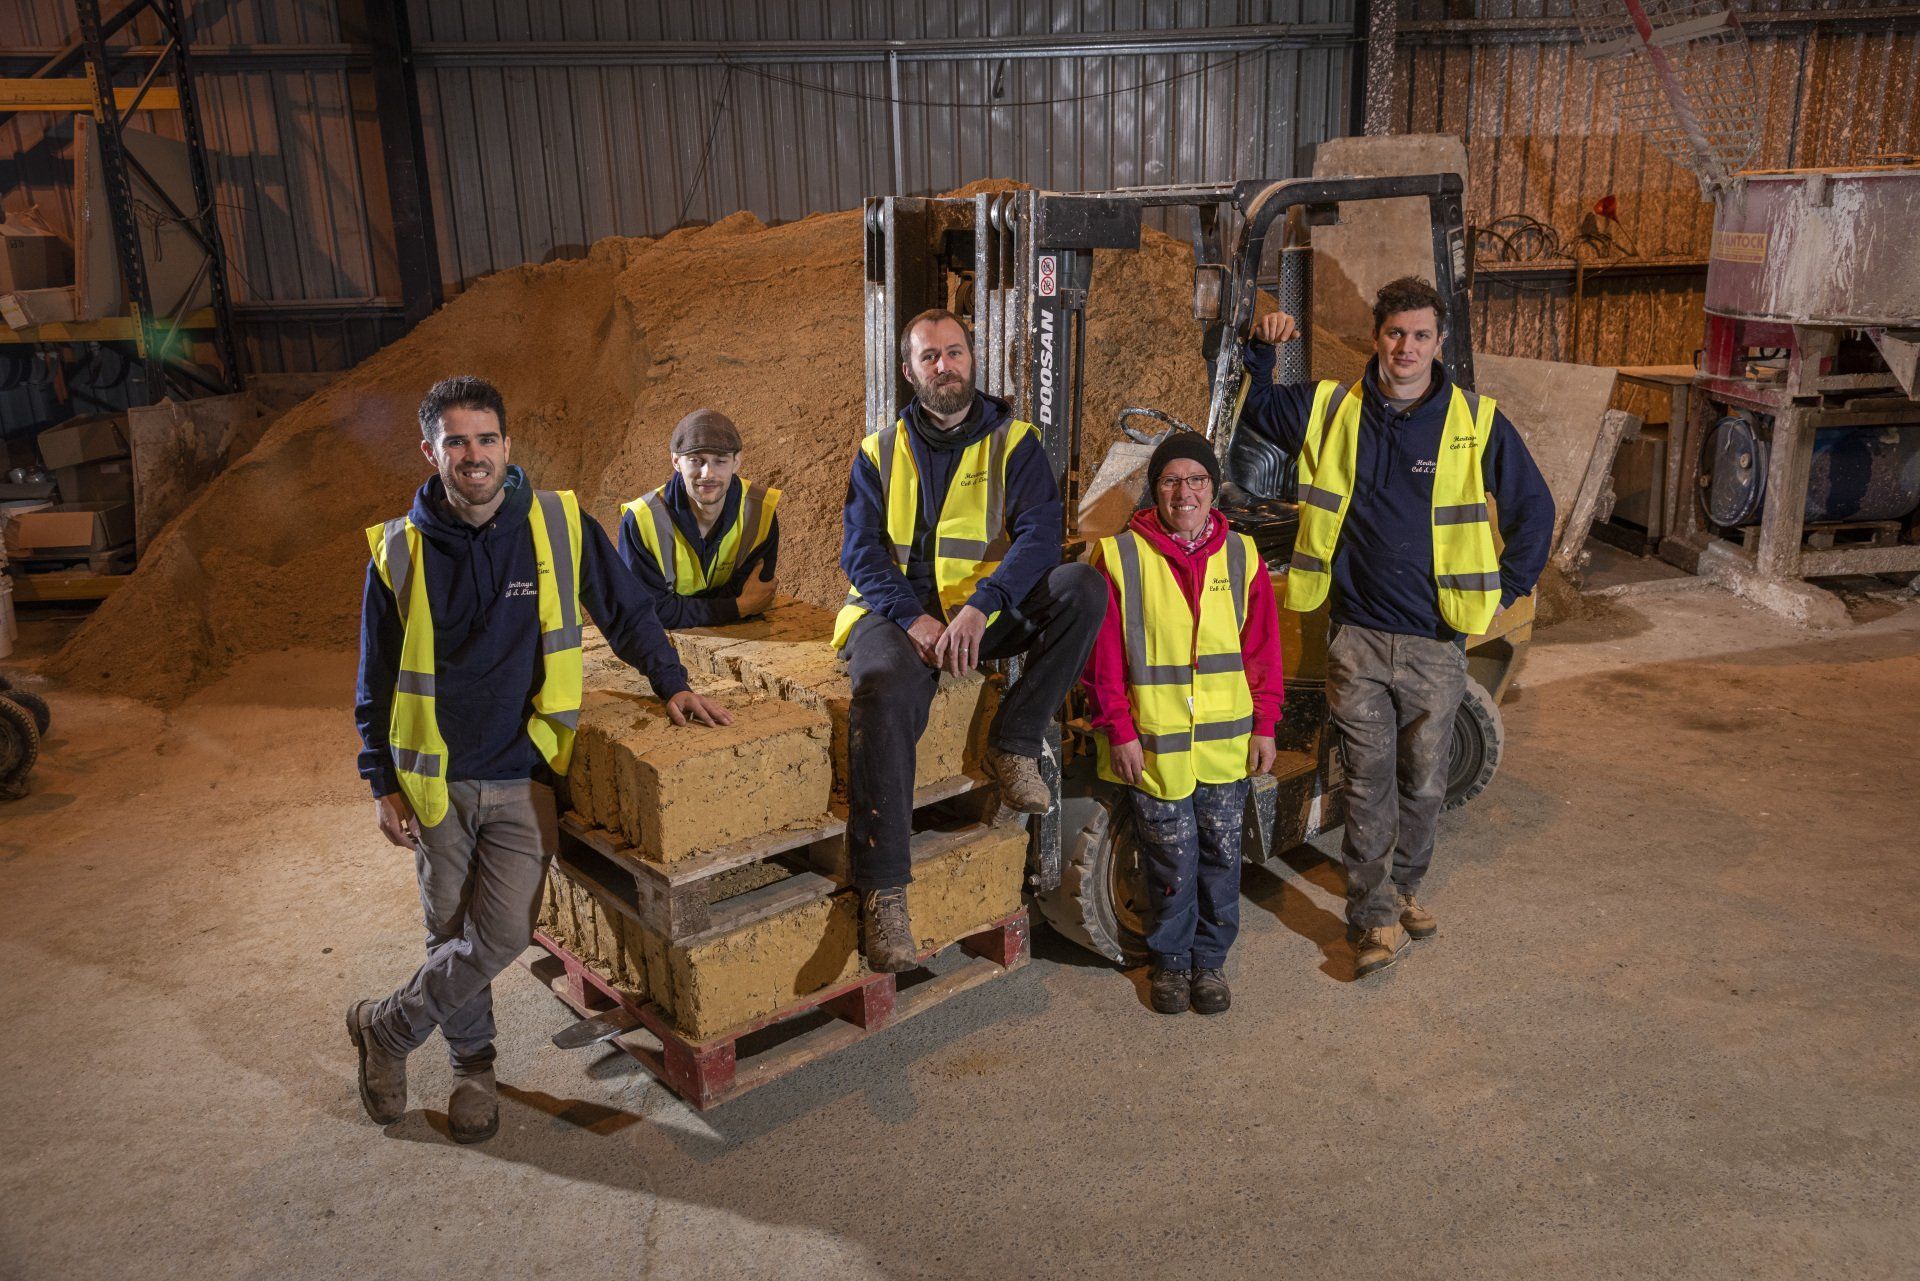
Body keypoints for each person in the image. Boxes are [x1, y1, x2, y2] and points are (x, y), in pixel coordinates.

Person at [349, 375, 731, 1142]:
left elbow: (625, 610)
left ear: (507, 444)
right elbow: (376, 674)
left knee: (500, 934)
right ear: (430, 451)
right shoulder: (399, 549)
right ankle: (472, 1072)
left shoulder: (556, 522)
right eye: (455, 441)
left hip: (523, 773)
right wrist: (379, 779)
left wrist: (673, 682)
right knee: (448, 928)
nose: (473, 455)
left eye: (486, 438)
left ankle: (386, 1027)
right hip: (435, 778)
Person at [1240, 277, 1554, 978]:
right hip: (1355, 634)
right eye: (1393, 334)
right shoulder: (1331, 408)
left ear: (1437, 343)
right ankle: (1374, 915)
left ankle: (1404, 884)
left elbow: (1536, 506)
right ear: (1375, 337)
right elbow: (1258, 409)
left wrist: (1507, 587)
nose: (1405, 348)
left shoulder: (1474, 421)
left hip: (1436, 640)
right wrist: (1262, 350)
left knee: (1424, 777)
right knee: (1368, 777)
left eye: (1419, 336)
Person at [836, 308, 1106, 972]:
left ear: (971, 360)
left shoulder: (1014, 443)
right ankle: (886, 893)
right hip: (898, 616)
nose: (944, 366)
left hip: (977, 614)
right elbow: (862, 555)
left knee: (1082, 587)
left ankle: (1014, 741)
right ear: (909, 371)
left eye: (954, 353)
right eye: (929, 357)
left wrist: (985, 604)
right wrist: (912, 618)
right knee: (881, 693)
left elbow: (1041, 534)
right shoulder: (878, 452)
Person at [1082, 433, 1284, 1015]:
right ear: (1156, 489)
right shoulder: (1120, 555)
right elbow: (1104, 660)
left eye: (1197, 479)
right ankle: (1171, 964)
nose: (1185, 491)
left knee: (1221, 854)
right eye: (1172, 479)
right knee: (1169, 857)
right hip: (1155, 746)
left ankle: (1210, 962)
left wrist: (1265, 724)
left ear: (1213, 488)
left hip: (1226, 746)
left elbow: (1261, 652)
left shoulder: (1241, 555)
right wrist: (1118, 730)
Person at [617, 408, 778, 628]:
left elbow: (754, 593)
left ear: (737, 461)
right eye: (695, 461)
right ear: (676, 461)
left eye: (720, 461)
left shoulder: (760, 511)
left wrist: (677, 608)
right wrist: (737, 607)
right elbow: (645, 612)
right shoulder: (642, 520)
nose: (707, 474)